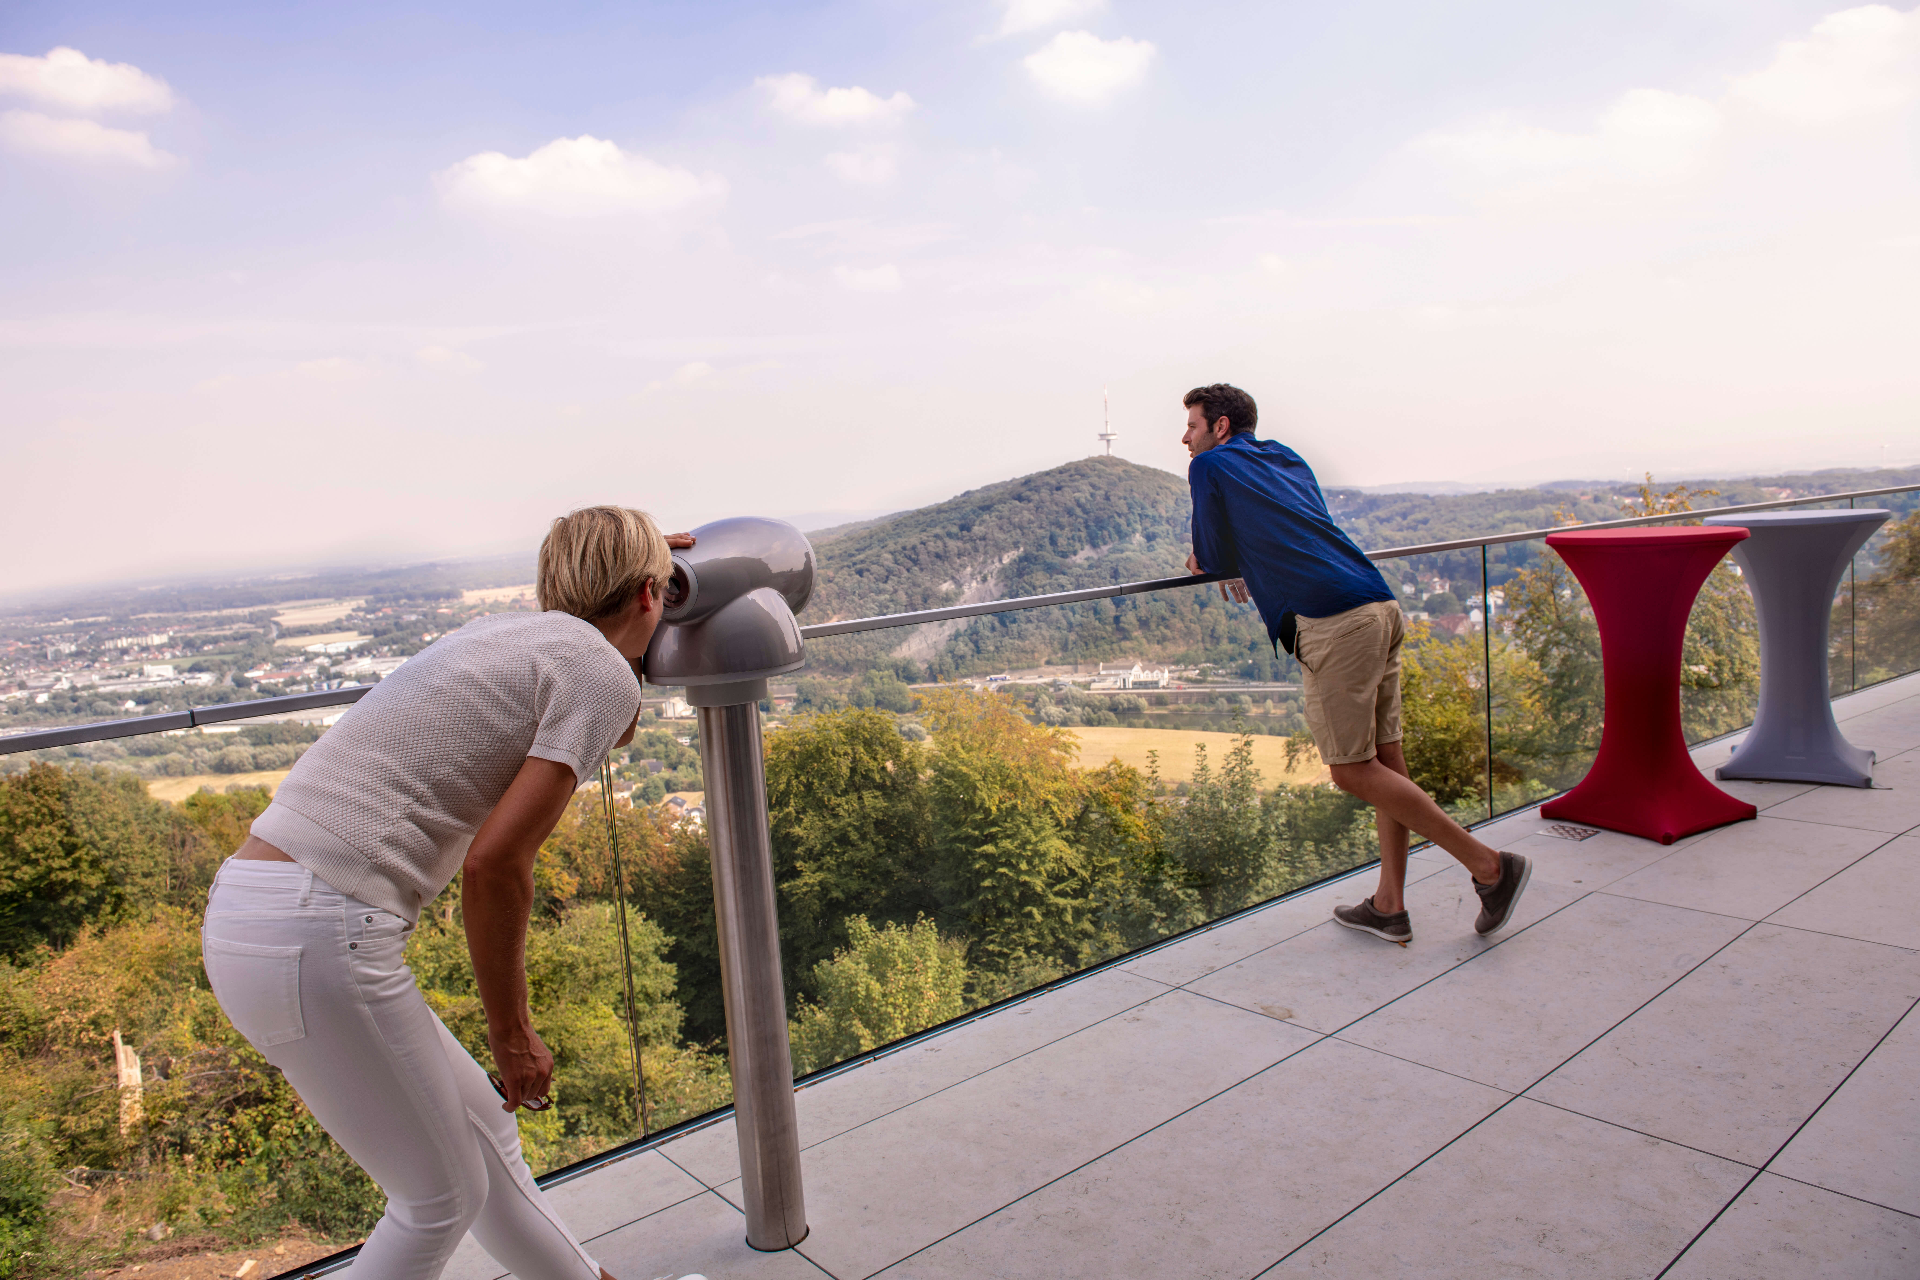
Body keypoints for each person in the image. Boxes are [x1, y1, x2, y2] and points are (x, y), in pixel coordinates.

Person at [201, 507, 698, 1280]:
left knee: (487, 1150)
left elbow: (606, 717)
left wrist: (636, 573)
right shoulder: (595, 669)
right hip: (322, 929)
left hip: (255, 911)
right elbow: (495, 866)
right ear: (646, 593)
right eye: (660, 591)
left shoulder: (500, 635)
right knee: (437, 1200)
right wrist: (512, 1031)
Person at [1181, 383, 1529, 945]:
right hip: (1379, 604)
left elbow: (1212, 556)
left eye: (1192, 426)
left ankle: (1490, 867)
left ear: (1219, 427)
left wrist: (1210, 558)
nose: (1185, 438)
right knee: (1386, 762)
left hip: (1333, 620)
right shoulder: (1286, 457)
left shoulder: (1210, 466)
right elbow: (1292, 525)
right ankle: (1389, 906)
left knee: (1350, 769)